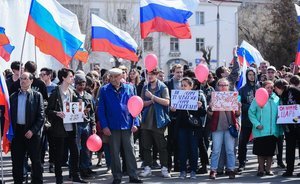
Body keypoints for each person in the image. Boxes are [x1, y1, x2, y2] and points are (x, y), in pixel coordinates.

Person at [98, 68, 142, 184]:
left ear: (121, 76)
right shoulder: (104, 90)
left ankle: (133, 176)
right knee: (114, 153)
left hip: (127, 125)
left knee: (130, 152)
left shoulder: (129, 88)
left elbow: (135, 105)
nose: (113, 79)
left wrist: (135, 123)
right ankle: (117, 177)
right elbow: (101, 110)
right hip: (112, 127)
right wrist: (104, 126)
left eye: (115, 76)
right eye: (111, 77)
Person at [46, 68, 87, 183]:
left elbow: (75, 108)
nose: (73, 78)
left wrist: (81, 112)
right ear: (63, 78)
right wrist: (57, 113)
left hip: (71, 129)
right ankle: (59, 178)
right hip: (59, 129)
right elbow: (48, 111)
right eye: (70, 76)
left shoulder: (72, 91)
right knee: (59, 155)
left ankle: (75, 176)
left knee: (75, 153)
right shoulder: (55, 92)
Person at [10, 72, 45, 184]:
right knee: (17, 161)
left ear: (31, 81)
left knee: (35, 161)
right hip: (17, 132)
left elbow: (41, 116)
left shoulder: (37, 96)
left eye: (25, 78)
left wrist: (33, 130)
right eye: (21, 78)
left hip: (32, 133)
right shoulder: (13, 96)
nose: (22, 81)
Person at [170, 77, 207, 179]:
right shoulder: (177, 96)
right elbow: (173, 114)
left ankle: (193, 170)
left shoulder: (197, 97)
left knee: (193, 149)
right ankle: (183, 170)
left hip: (193, 128)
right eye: (181, 85)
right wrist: (173, 110)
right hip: (181, 127)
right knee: (182, 150)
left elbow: (203, 113)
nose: (183, 87)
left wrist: (200, 107)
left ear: (191, 87)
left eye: (185, 85)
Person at [139, 68, 171, 178]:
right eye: (148, 74)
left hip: (159, 121)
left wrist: (153, 97)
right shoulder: (145, 87)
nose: (150, 76)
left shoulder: (162, 87)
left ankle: (164, 168)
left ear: (156, 75)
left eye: (152, 74)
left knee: (162, 147)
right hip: (146, 122)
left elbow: (167, 102)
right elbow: (141, 103)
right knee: (146, 147)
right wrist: (150, 101)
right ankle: (147, 168)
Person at [208, 78, 241, 180]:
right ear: (217, 86)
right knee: (216, 150)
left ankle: (231, 169)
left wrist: (238, 108)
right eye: (221, 85)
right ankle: (213, 170)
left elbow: (237, 114)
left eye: (225, 85)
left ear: (228, 87)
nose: (223, 87)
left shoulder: (233, 97)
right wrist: (210, 107)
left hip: (229, 127)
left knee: (230, 150)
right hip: (217, 127)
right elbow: (210, 115)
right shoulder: (214, 97)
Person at [248, 80, 282, 177]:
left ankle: (268, 169)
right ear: (263, 88)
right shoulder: (257, 99)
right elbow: (251, 113)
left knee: (270, 153)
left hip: (272, 131)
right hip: (261, 130)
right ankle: (261, 170)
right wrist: (257, 124)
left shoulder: (276, 99)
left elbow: (280, 112)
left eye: (272, 88)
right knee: (261, 152)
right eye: (268, 87)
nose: (270, 89)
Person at [273, 79, 300, 177]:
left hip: (298, 124)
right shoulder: (281, 95)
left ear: (280, 87)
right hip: (289, 127)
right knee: (289, 148)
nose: (275, 91)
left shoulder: (294, 90)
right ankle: (289, 170)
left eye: (276, 89)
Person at [74, 74, 97, 178]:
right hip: (76, 125)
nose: (81, 86)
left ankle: (86, 167)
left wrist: (93, 125)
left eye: (83, 83)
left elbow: (92, 112)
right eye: (79, 84)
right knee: (77, 149)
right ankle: (76, 170)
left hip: (86, 124)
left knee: (86, 148)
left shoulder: (88, 96)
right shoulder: (72, 95)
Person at [238, 68, 259, 171]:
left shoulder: (260, 88)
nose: (251, 76)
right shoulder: (242, 89)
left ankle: (262, 165)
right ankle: (241, 163)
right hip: (246, 120)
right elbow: (239, 104)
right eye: (249, 74)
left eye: (253, 74)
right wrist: (250, 107)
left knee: (260, 143)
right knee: (242, 142)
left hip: (259, 120)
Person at [165, 64, 184, 172]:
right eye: (177, 72)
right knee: (170, 142)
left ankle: (177, 164)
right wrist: (169, 106)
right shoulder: (167, 84)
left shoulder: (185, 83)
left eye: (181, 72)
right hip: (171, 117)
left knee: (179, 142)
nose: (179, 74)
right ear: (173, 72)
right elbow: (165, 99)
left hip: (182, 117)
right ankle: (168, 164)